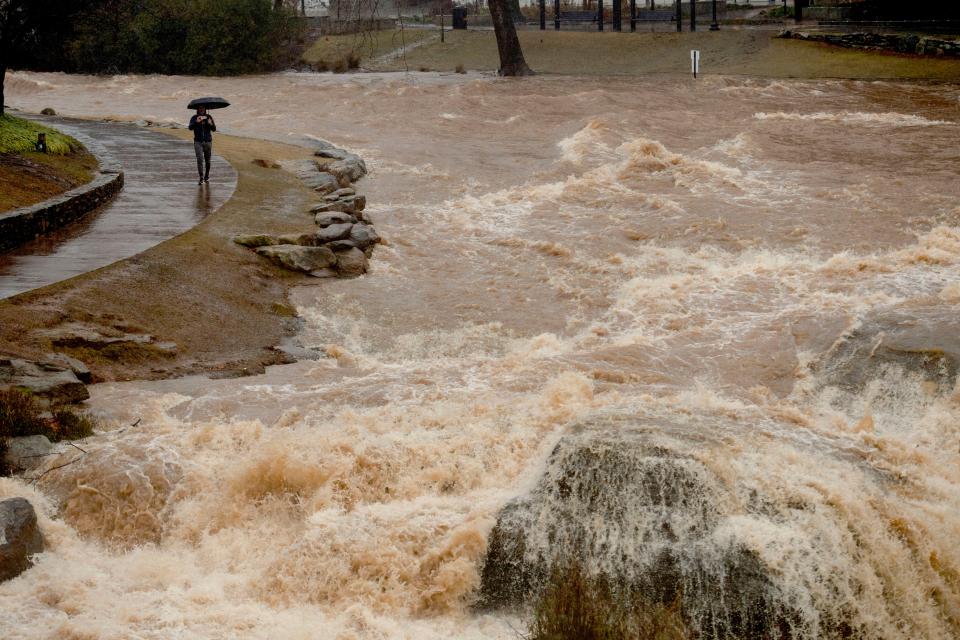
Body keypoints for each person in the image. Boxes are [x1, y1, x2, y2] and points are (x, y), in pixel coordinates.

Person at [188, 106, 217, 185]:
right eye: (200, 108)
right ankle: (201, 177)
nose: (201, 110)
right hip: (198, 142)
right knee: (200, 159)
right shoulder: (194, 118)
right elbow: (190, 128)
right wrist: (196, 122)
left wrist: (210, 123)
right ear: (197, 109)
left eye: (203, 108)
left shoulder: (209, 117)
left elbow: (214, 129)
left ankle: (206, 176)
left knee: (208, 161)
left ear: (205, 109)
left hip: (208, 142)